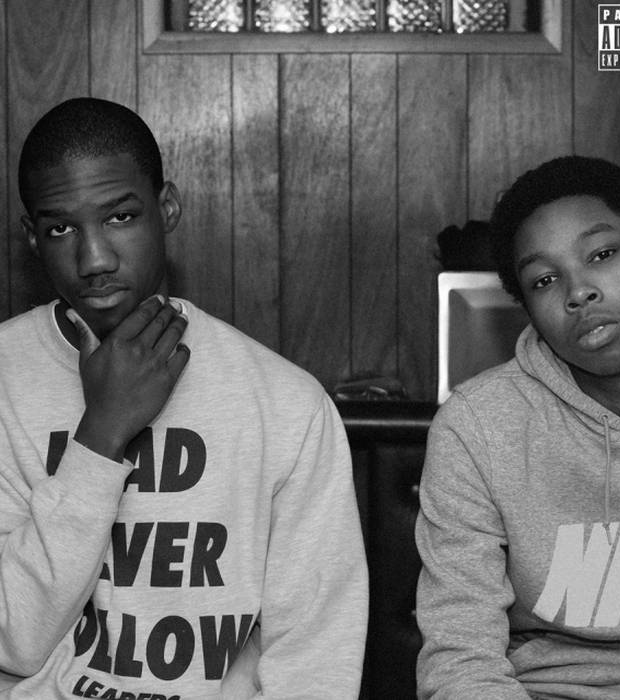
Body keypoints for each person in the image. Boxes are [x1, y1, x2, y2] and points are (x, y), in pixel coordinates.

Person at [0, 97, 368, 699]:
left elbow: (314, 657)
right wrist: (101, 434)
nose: (94, 259)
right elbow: (13, 638)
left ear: (166, 208)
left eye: (120, 217)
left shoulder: (286, 403)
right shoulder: (6, 380)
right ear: (32, 238)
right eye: (60, 228)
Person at [415, 155, 620, 698]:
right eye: (544, 279)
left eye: (602, 254)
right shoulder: (478, 428)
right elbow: (462, 656)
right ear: (527, 308)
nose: (578, 292)